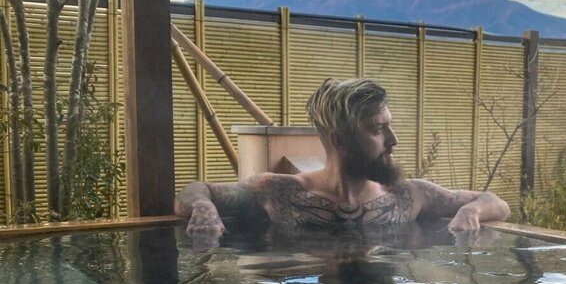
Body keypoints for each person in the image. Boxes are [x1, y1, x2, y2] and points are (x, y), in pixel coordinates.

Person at [175, 77, 510, 240]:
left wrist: (471, 211)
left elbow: (495, 202)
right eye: (378, 130)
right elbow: (195, 191)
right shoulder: (279, 191)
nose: (393, 141)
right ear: (340, 141)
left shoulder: (411, 194)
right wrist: (203, 207)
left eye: (390, 126)